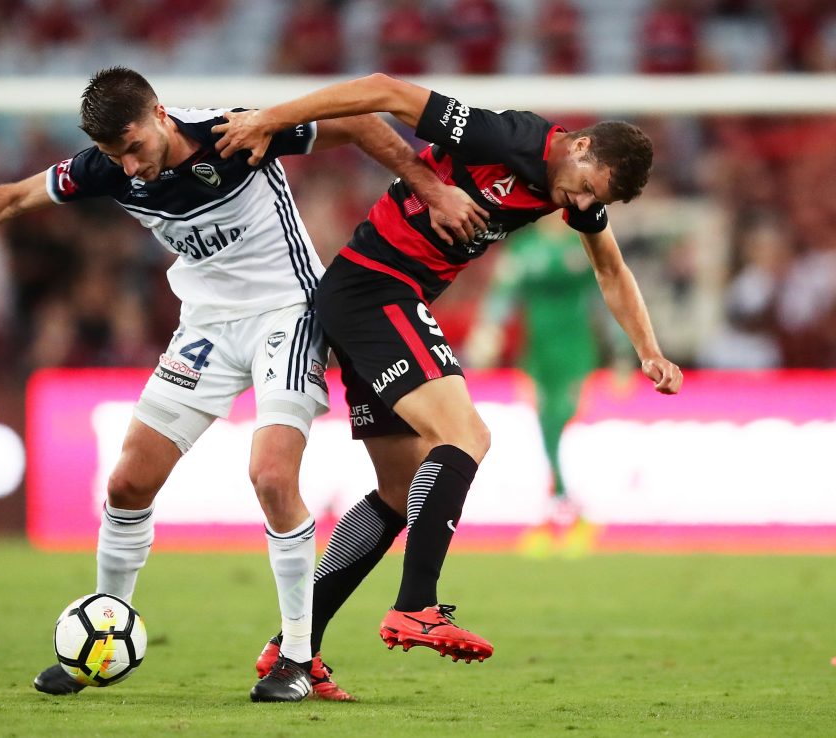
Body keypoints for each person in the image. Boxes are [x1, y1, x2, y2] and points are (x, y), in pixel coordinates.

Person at [0, 67, 485, 703]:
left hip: (286, 314)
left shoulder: (232, 135)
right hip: (204, 326)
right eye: (113, 155)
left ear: (159, 114)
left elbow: (356, 120)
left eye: (134, 148)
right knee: (127, 482)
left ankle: (297, 657)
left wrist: (425, 185)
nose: (129, 167)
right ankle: (102, 636)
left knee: (271, 477)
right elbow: (12, 197)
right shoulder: (106, 168)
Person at [214, 72, 684, 693]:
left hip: (378, 299)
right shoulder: (504, 136)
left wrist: (648, 350)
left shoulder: (575, 194)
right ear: (579, 147)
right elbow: (384, 90)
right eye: (586, 188)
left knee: (398, 489)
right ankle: (417, 603)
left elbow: (612, 269)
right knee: (465, 434)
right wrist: (270, 118)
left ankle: (291, 651)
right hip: (375, 291)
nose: (578, 205)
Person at [465, 214, 605, 556]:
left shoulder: (584, 245)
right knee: (544, 428)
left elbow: (602, 297)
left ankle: (569, 513)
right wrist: (488, 329)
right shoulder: (524, 249)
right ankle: (562, 513)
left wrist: (622, 352)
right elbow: (503, 294)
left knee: (563, 423)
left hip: (576, 352)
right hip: (537, 355)